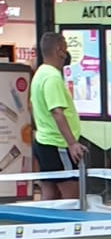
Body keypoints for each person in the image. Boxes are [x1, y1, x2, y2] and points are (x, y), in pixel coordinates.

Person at [30, 31, 85, 202]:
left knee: (50, 195)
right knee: (71, 198)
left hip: (44, 142)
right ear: (58, 51)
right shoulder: (52, 77)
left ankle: (44, 221)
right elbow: (57, 112)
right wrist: (72, 143)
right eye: (65, 49)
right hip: (58, 144)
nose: (66, 55)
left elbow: (33, 107)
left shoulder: (40, 74)